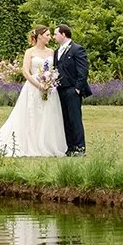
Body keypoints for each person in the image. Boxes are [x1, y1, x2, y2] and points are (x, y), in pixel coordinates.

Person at [0, 26, 69, 158]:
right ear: (40, 36)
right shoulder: (30, 52)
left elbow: (55, 69)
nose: (50, 37)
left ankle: (46, 144)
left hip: (49, 87)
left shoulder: (52, 52)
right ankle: (31, 144)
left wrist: (50, 81)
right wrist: (38, 85)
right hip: (33, 86)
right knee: (31, 114)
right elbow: (25, 71)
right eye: (47, 35)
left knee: (48, 116)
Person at [52, 24, 91, 156]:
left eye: (56, 33)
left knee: (75, 119)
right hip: (60, 89)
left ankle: (80, 148)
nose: (54, 36)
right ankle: (70, 147)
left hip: (72, 90)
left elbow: (83, 70)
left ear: (63, 34)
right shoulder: (57, 52)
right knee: (65, 119)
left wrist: (78, 89)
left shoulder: (77, 49)